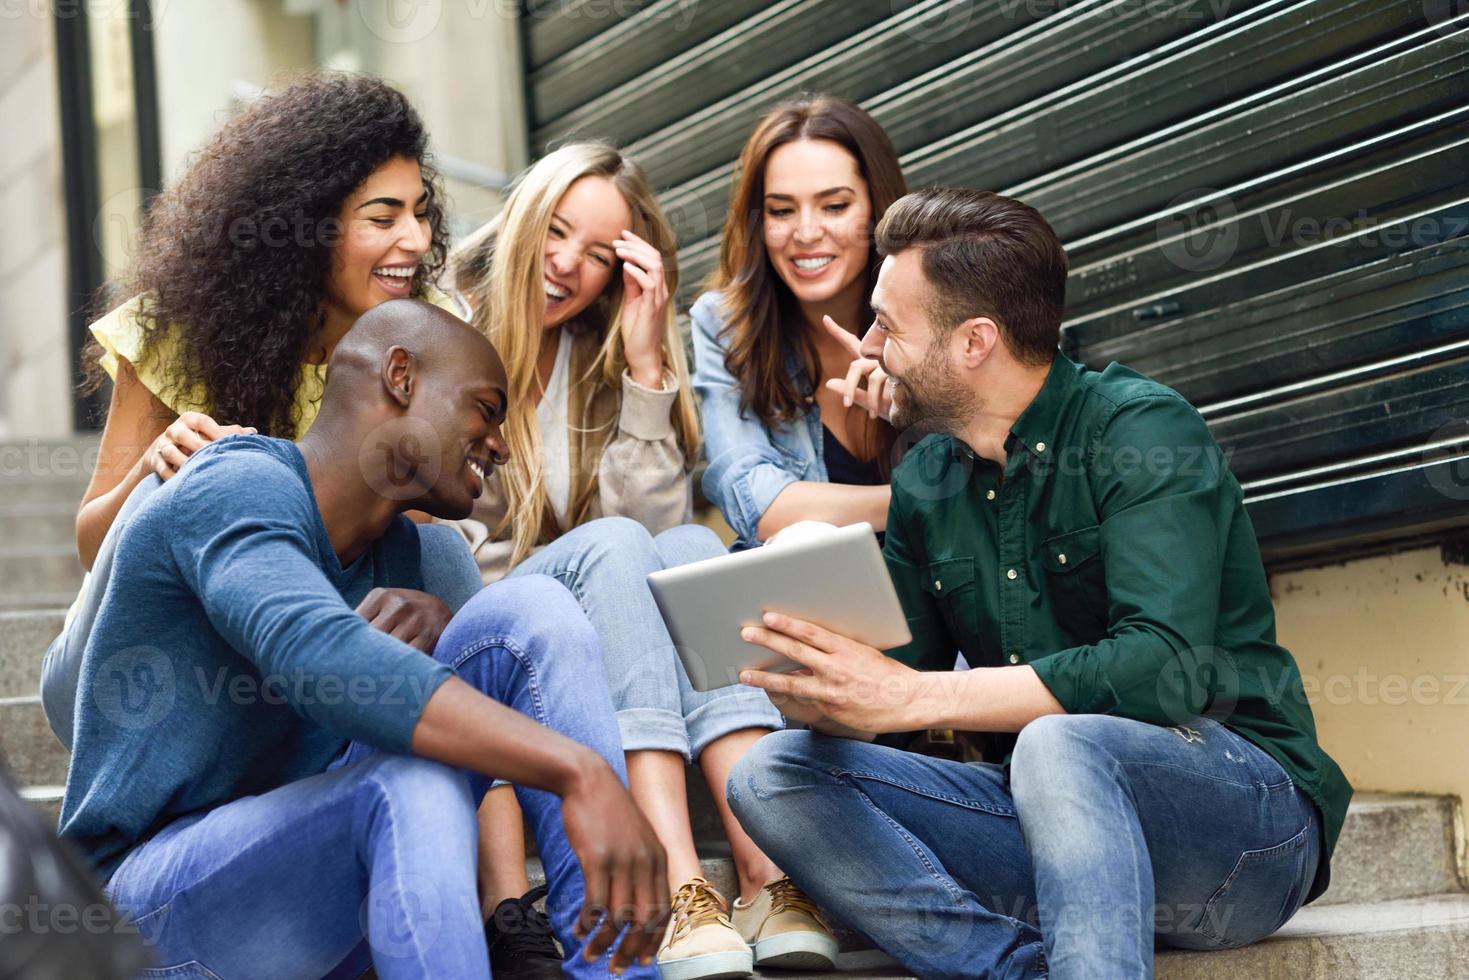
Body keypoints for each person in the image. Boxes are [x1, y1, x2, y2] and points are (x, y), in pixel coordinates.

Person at [728, 189, 1354, 979]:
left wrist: (915, 697)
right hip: (1050, 833)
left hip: (1243, 833)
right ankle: (1012, 968)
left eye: (889, 324)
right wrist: (820, 685)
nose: (869, 346)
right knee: (772, 774)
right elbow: (894, 688)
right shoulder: (927, 477)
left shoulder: (1139, 431)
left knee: (1059, 740)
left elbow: (1158, 667)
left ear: (974, 343)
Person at [60, 299, 670, 979]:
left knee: (532, 607)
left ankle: (616, 970)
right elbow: (315, 655)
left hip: (316, 897)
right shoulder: (235, 481)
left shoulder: (407, 556)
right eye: (486, 409)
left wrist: (447, 635)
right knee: (401, 785)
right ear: (400, 376)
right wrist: (578, 770)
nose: (499, 444)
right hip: (146, 917)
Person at [445, 142, 834, 979]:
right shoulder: (447, 326)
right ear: (521, 218)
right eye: (555, 233)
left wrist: (647, 361)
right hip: (493, 623)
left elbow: (651, 527)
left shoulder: (598, 349)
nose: (566, 267)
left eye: (596, 255)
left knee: (694, 549)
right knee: (630, 548)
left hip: (596, 594)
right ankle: (676, 883)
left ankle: (767, 878)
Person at [43, 71, 481, 746]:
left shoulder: (425, 337)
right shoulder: (173, 333)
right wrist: (154, 476)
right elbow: (92, 543)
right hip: (138, 658)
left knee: (437, 551)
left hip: (306, 649)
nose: (417, 241)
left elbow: (402, 541)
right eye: (383, 217)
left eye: (420, 212)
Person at [691, 96, 907, 550]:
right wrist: (918, 502)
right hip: (816, 597)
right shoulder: (725, 326)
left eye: (834, 206)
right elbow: (755, 503)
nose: (806, 233)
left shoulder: (941, 305)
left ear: (877, 207)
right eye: (782, 211)